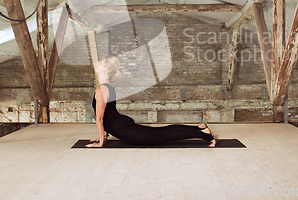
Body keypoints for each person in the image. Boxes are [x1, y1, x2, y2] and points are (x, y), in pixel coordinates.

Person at [86, 55, 216, 147]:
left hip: (121, 128)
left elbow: (100, 118)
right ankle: (199, 128)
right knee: (161, 132)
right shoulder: (108, 85)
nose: (97, 63)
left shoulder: (102, 88)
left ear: (105, 69)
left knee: (160, 136)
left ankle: (205, 135)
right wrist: (103, 134)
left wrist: (100, 143)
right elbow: (109, 114)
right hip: (120, 123)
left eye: (100, 63)